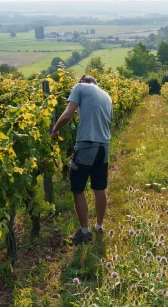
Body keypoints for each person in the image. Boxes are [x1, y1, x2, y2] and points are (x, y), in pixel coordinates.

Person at [51, 75, 113, 244]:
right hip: (104, 146)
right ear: (96, 83)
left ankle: (84, 232)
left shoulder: (79, 87)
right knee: (99, 187)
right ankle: (99, 226)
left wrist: (55, 130)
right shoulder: (106, 96)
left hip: (86, 145)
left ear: (82, 81)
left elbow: (67, 115)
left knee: (78, 188)